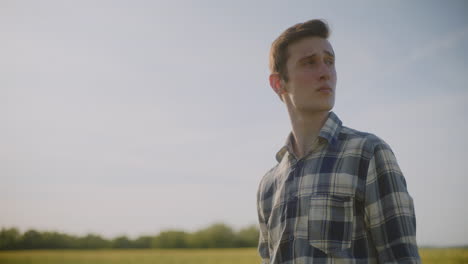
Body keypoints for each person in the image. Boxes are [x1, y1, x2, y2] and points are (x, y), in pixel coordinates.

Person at [256, 19, 421, 263]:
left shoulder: (369, 153)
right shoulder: (269, 184)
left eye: (330, 62)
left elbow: (401, 258)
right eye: (309, 62)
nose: (326, 72)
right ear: (278, 83)